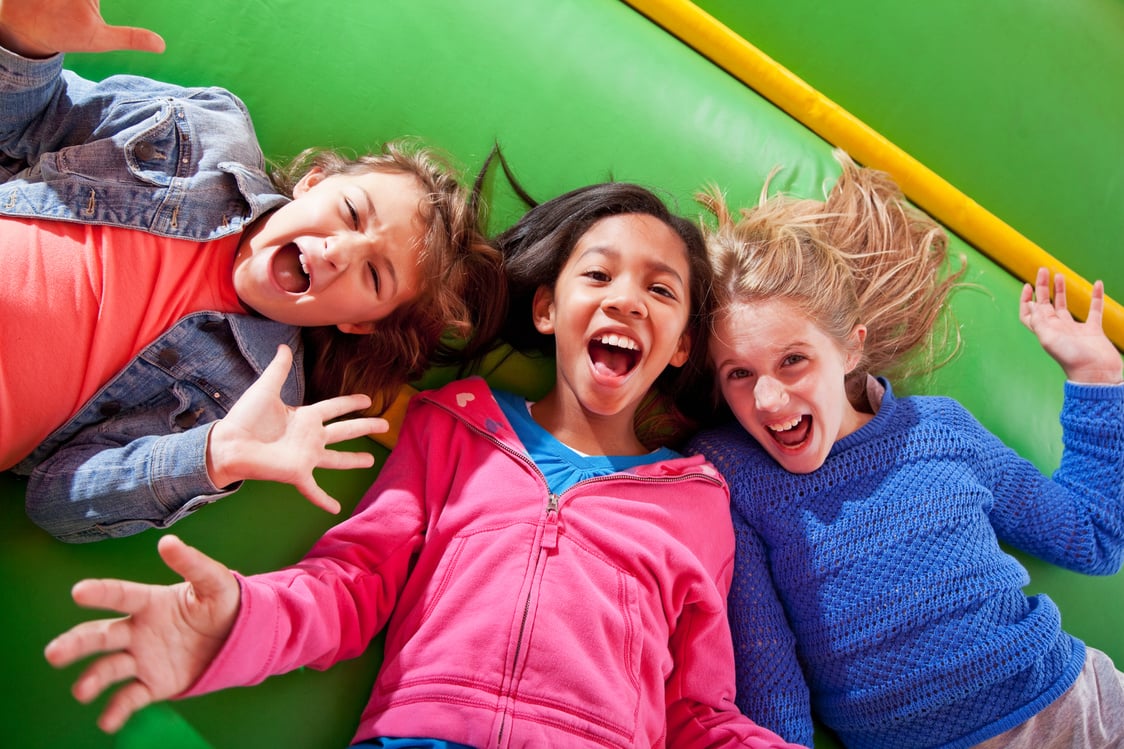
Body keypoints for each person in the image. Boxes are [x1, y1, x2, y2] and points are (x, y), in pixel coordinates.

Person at [44, 181, 802, 748]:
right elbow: (354, 583)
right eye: (598, 276)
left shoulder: (697, 503)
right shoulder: (454, 426)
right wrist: (236, 622)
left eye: (660, 290)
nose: (628, 301)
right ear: (545, 309)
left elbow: (700, 713)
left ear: (678, 349)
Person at [0, 0, 504, 542]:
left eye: (375, 277)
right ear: (313, 183)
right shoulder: (203, 133)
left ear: (363, 323)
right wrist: (24, 45)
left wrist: (213, 456)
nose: (339, 252)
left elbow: (56, 500)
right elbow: (31, 121)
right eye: (353, 212)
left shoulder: (258, 401)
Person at [689, 150, 1124, 748]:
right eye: (738, 373)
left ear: (849, 350)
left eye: (793, 360)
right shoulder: (740, 476)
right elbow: (770, 669)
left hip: (1078, 714)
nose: (767, 398)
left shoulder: (939, 430)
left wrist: (1097, 375)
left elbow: (1092, 536)